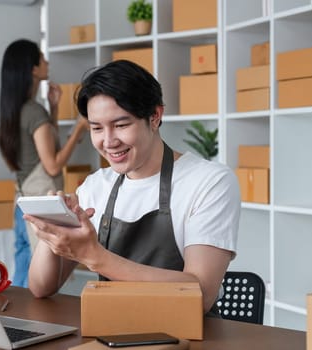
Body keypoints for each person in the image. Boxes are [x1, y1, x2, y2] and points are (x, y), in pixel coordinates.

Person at [25, 60, 240, 314]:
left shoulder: (209, 182)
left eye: (121, 125)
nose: (108, 142)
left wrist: (95, 257)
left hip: (187, 338)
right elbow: (40, 287)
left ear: (155, 116)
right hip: (110, 332)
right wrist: (53, 227)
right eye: (96, 128)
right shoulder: (96, 186)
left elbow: (200, 294)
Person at [0, 39, 88, 288]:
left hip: (21, 204)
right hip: (41, 205)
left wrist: (55, 110)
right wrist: (80, 128)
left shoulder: (14, 110)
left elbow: (43, 151)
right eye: (42, 58)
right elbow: (53, 166)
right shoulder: (34, 111)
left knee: (23, 274)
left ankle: (15, 324)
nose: (47, 62)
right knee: (39, 283)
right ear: (33, 68)